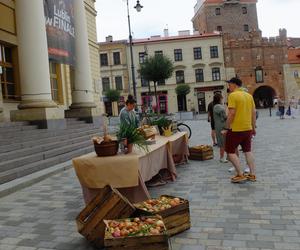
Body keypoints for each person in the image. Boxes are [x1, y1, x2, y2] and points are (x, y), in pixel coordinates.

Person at [222, 77, 257, 183]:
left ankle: (240, 174)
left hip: (236, 129)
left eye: (229, 84)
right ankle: (252, 174)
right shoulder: (249, 96)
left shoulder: (233, 95)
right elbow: (254, 113)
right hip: (247, 128)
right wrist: (253, 127)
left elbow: (231, 113)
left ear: (234, 85)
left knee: (230, 151)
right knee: (248, 151)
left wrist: (226, 127)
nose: (228, 86)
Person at [213, 93, 228, 163]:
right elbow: (224, 116)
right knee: (222, 142)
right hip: (220, 126)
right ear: (219, 99)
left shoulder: (218, 106)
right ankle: (222, 157)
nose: (223, 99)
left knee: (225, 142)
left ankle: (227, 156)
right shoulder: (217, 106)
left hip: (221, 125)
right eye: (222, 98)